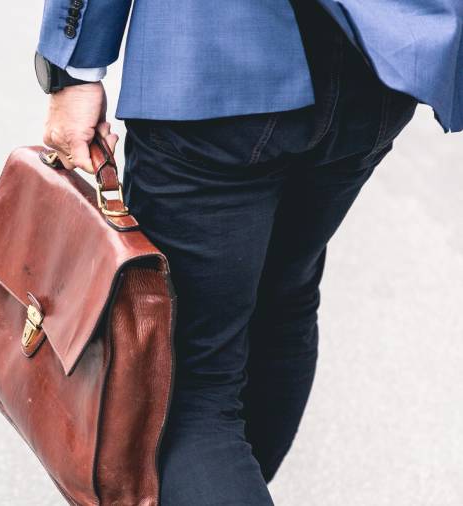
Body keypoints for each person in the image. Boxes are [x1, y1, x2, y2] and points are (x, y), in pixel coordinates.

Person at [33, 0, 462, 503]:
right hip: (375, 65)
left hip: (216, 59)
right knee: (281, 300)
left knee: (183, 382)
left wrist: (75, 65)